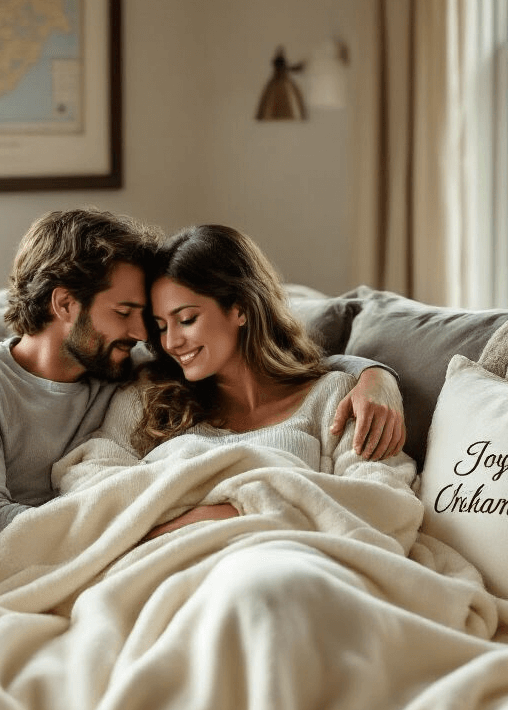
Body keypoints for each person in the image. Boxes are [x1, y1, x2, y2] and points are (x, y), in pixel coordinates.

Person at [0, 209, 406, 569]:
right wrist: (184, 526)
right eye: (126, 314)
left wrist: (375, 376)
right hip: (101, 561)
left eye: (160, 320)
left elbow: (280, 367)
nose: (149, 337)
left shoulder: (131, 368)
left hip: (243, 555)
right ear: (64, 305)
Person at [53, 223, 413, 541]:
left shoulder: (335, 398)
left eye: (187, 319)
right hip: (173, 564)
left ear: (240, 308)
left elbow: (383, 499)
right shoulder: (150, 395)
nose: (171, 342)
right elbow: (87, 480)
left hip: (286, 559)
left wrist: (231, 511)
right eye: (161, 327)